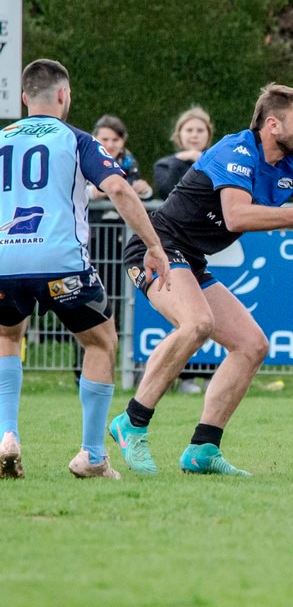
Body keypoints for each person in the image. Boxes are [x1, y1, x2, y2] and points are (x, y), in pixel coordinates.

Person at [109, 83, 293, 477]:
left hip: (191, 260)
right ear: (273, 124)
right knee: (197, 323)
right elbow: (236, 216)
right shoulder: (237, 149)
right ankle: (132, 422)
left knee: (251, 345)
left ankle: (203, 448)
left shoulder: (288, 169)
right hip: (156, 249)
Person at [0, 59, 169, 480]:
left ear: (24, 98)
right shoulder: (78, 140)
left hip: (5, 261)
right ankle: (92, 455)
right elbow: (118, 189)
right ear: (64, 95)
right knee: (100, 342)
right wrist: (153, 245)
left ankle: (7, 435)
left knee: (6, 336)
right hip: (61, 263)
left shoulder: (1, 139)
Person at [153, 106, 217, 395]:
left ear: (208, 135)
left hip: (203, 249)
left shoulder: (219, 163)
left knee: (206, 318)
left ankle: (209, 373)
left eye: (199, 130)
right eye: (189, 130)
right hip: (170, 245)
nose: (194, 135)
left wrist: (202, 160)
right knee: (190, 320)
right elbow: (168, 189)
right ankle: (178, 376)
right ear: (178, 135)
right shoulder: (166, 165)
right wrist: (189, 161)